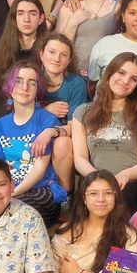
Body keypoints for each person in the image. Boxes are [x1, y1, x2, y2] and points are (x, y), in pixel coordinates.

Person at [72, 52, 137, 214]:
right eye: (121, 73)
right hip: (94, 182)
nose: (126, 81)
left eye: (134, 79)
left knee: (121, 196)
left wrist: (125, 175)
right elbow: (80, 158)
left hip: (129, 186)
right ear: (109, 74)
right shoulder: (83, 113)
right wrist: (99, 179)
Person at [0, 61, 66, 227]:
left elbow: (39, 171)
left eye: (32, 83)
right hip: (7, 190)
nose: (25, 87)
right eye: (18, 81)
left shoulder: (46, 120)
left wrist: (11, 194)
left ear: (38, 89)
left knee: (15, 216)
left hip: (40, 191)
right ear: (9, 87)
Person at [0, 0, 48, 132]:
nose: (26, 19)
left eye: (32, 13)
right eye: (21, 13)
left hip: (38, 116)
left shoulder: (48, 53)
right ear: (14, 18)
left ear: (41, 18)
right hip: (3, 114)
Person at [38, 33, 87, 192]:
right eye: (52, 52)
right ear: (41, 54)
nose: (57, 59)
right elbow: (20, 114)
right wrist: (46, 110)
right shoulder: (30, 79)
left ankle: (66, 195)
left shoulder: (76, 84)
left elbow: (74, 127)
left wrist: (51, 132)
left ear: (69, 60)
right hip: (32, 133)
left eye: (63, 55)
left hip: (62, 137)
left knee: (62, 143)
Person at [54, 0, 116, 76]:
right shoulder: (69, 8)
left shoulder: (118, 8)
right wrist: (73, 22)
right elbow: (58, 48)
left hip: (107, 76)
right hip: (74, 75)